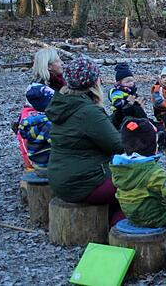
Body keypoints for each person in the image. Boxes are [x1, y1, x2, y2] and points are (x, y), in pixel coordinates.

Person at [110, 118, 166, 266]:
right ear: (151, 146)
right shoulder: (152, 170)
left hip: (130, 212)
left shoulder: (120, 167)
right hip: (152, 214)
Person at [47, 57, 125, 225]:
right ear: (94, 82)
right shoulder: (88, 111)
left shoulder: (64, 102)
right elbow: (118, 146)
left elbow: (95, 131)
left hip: (61, 178)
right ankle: (120, 230)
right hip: (83, 184)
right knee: (138, 186)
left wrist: (117, 116)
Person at [19, 84, 55, 173]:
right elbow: (59, 145)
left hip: (37, 164)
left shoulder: (31, 121)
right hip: (50, 167)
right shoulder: (48, 124)